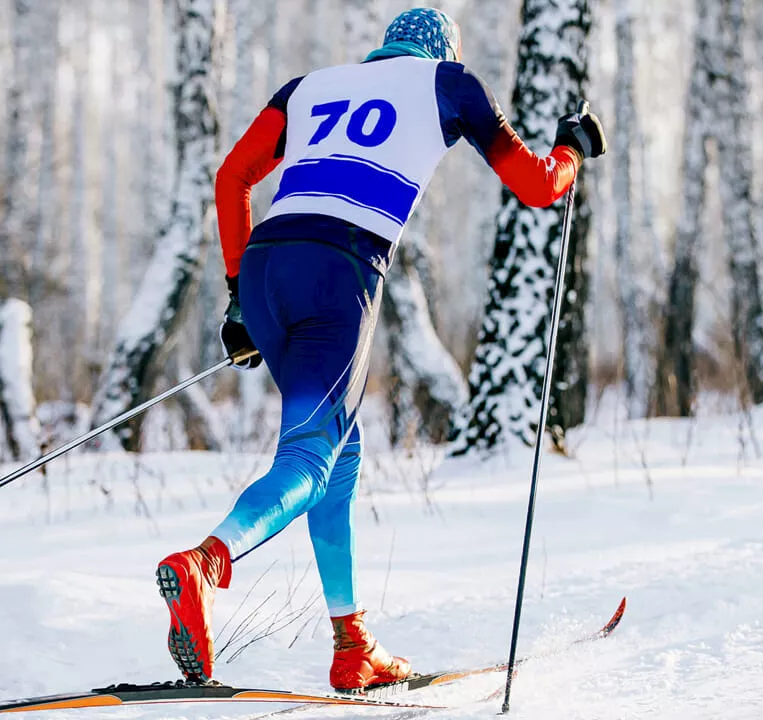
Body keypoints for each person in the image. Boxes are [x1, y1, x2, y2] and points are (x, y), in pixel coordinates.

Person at [156, 7, 606, 692]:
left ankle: (351, 645)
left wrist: (241, 298)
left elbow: (231, 179)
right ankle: (206, 564)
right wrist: (572, 149)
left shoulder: (307, 88)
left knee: (343, 450)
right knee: (309, 458)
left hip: (269, 264)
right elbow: (538, 185)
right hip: (339, 270)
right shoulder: (449, 84)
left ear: (383, 48)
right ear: (440, 50)